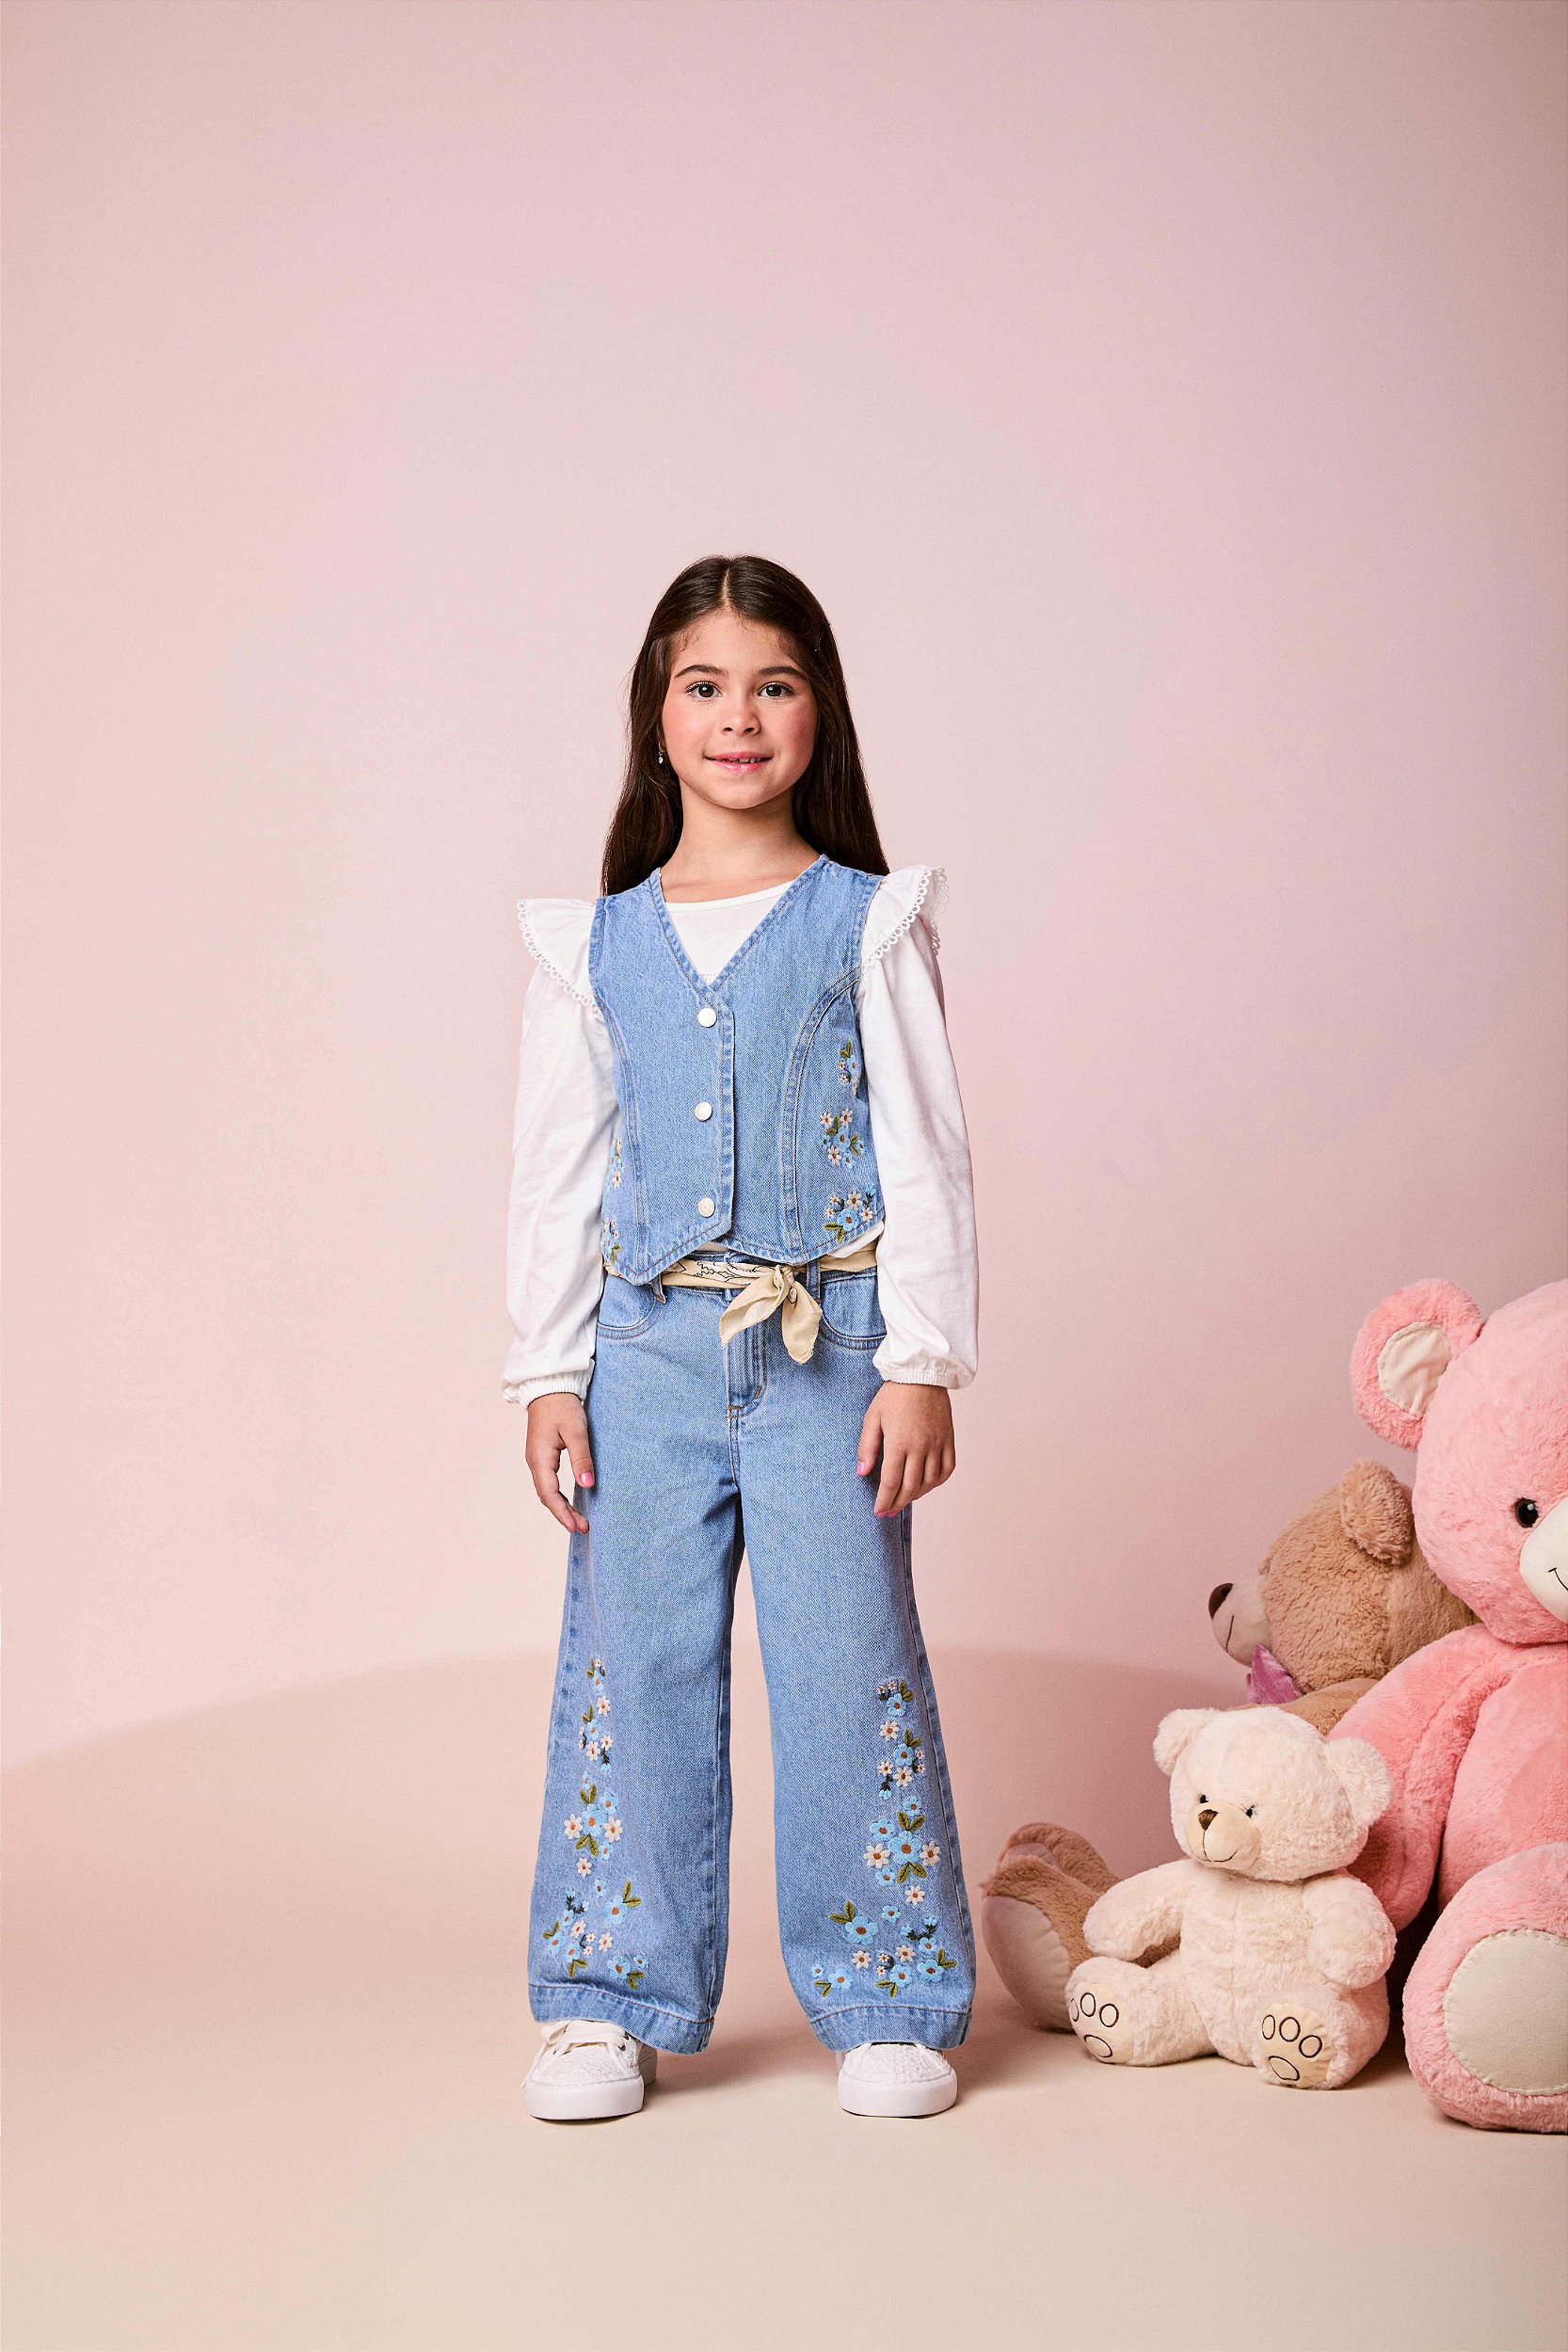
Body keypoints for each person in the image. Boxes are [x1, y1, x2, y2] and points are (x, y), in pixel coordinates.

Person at [504, 553, 979, 2120]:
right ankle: (608, 1995)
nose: (738, 716)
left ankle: (888, 1992)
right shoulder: (596, 945)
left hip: (828, 1354)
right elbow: (557, 1170)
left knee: (847, 1661)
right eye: (703, 686)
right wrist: (545, 1371)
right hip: (641, 1360)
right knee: (630, 1664)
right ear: (655, 716)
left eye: (773, 685)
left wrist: (921, 1360)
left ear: (818, 712)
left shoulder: (863, 924)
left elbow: (925, 1154)